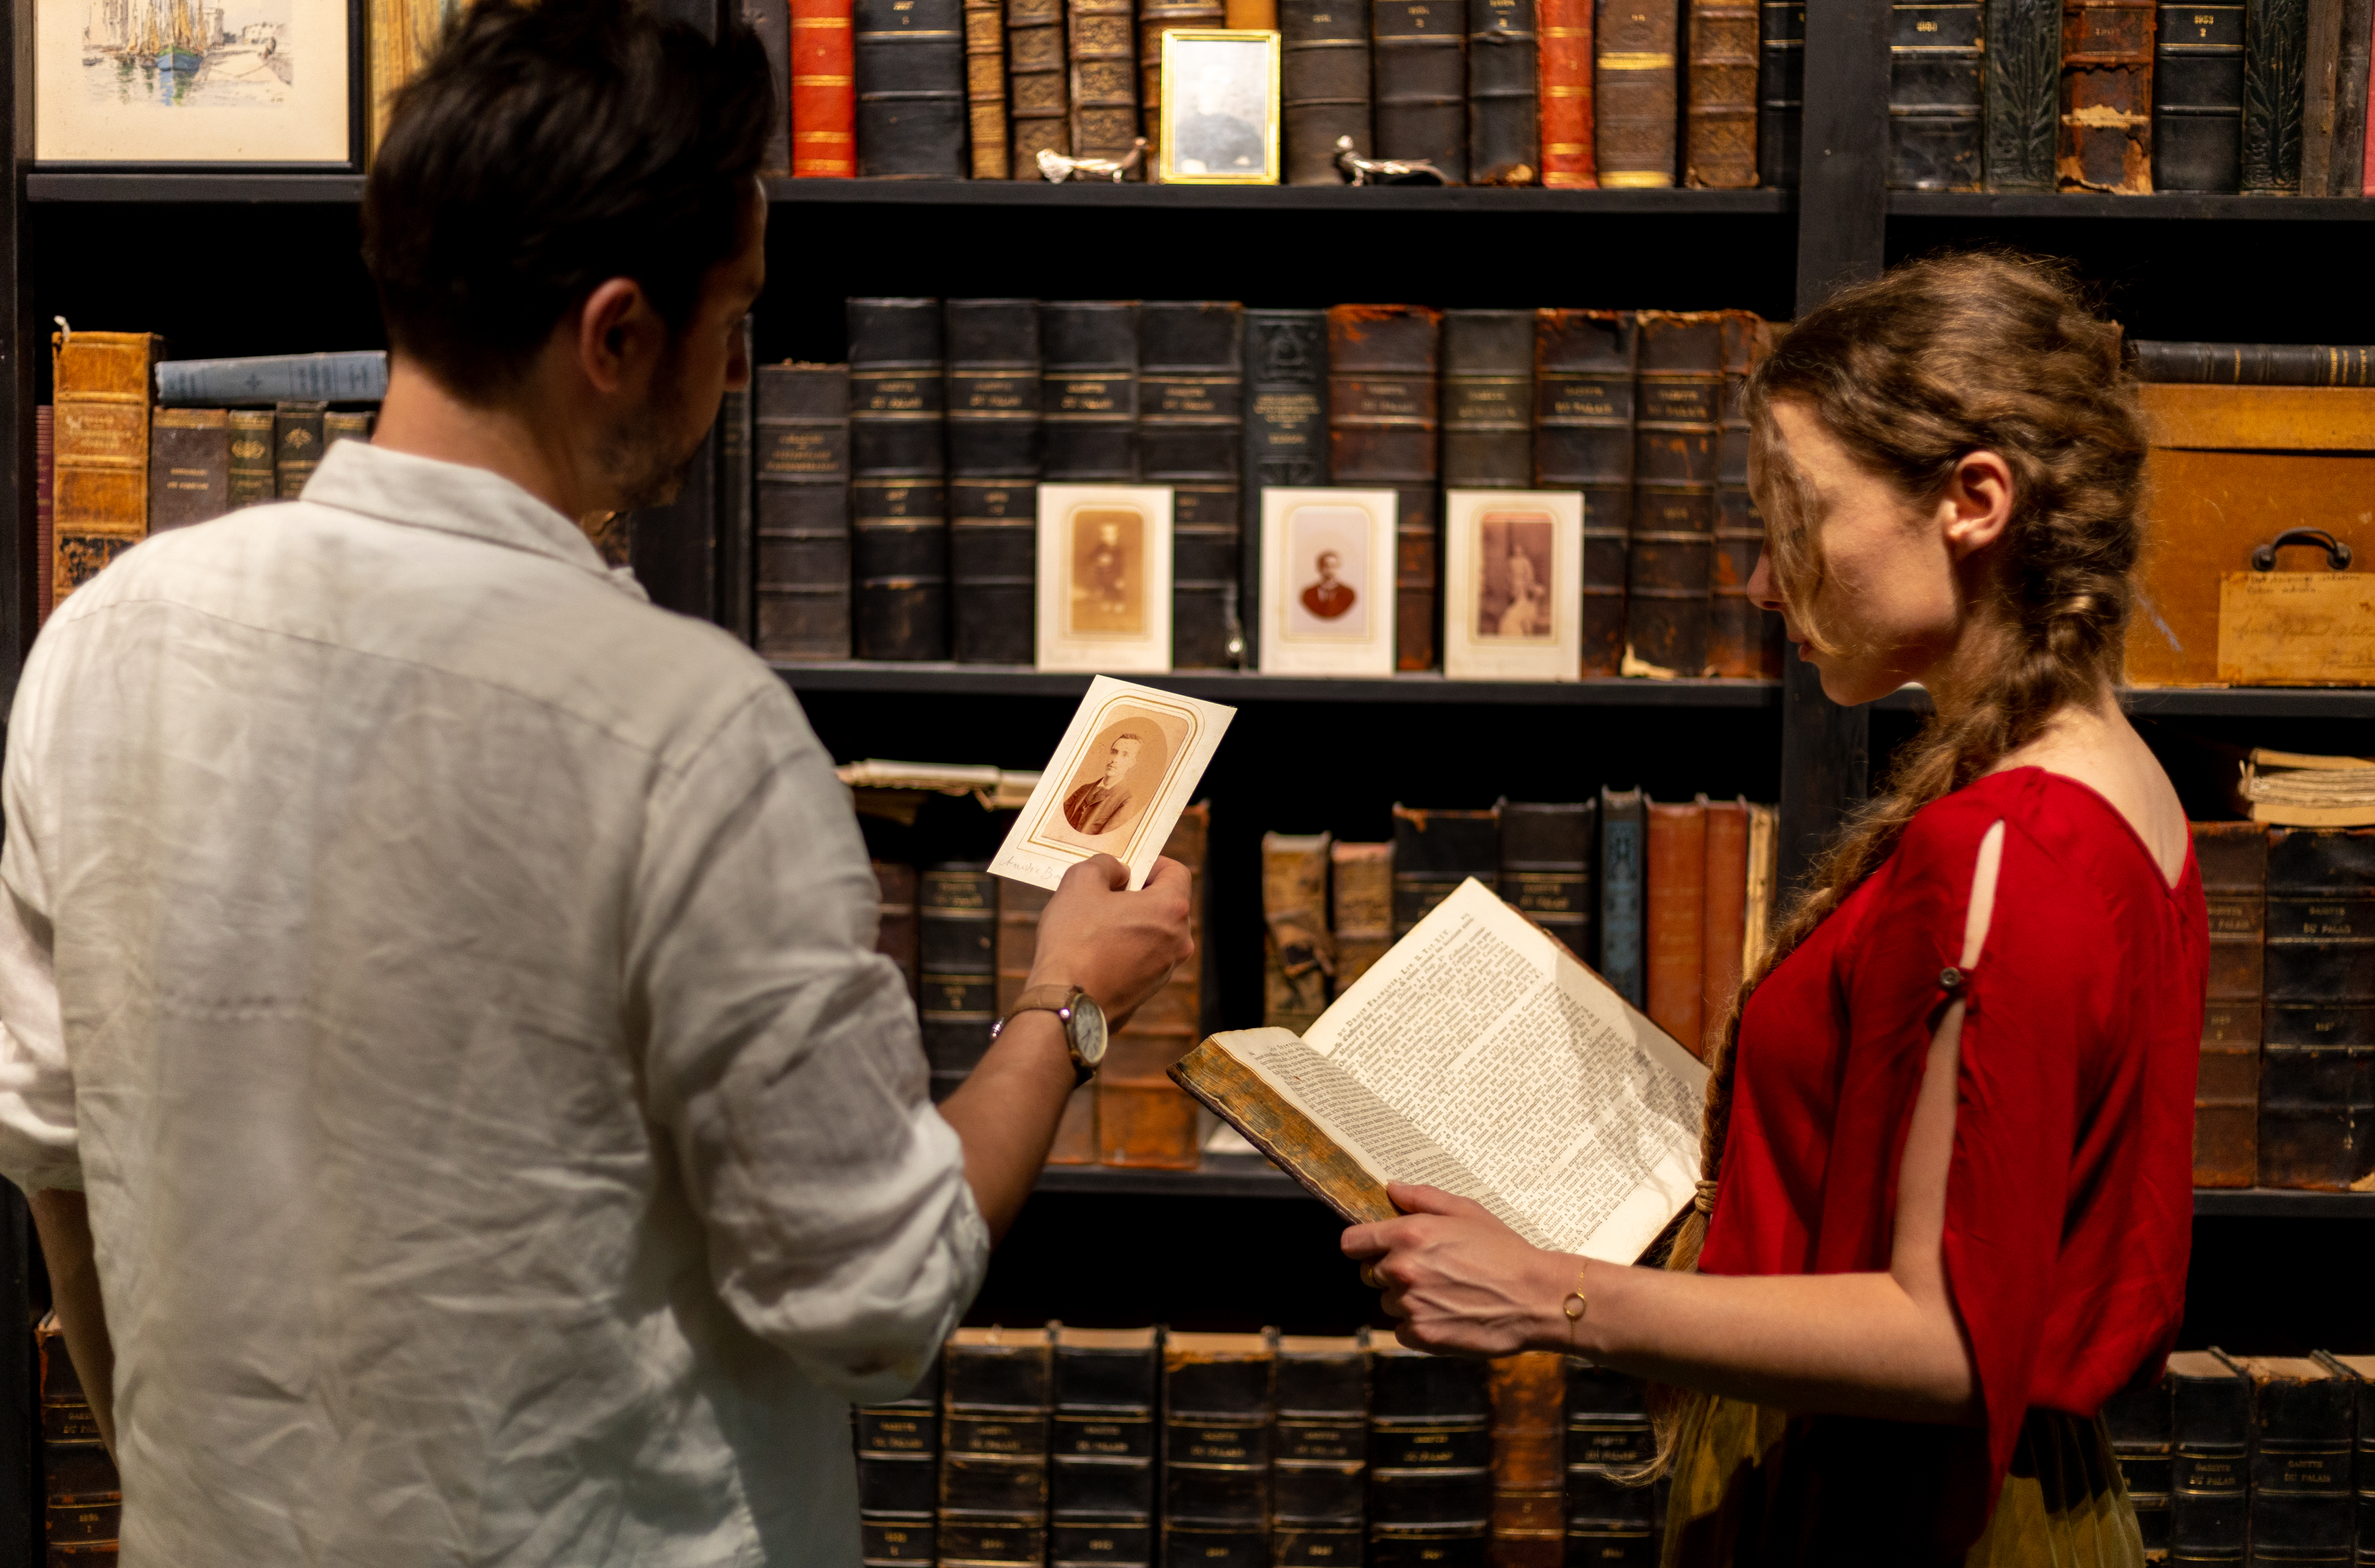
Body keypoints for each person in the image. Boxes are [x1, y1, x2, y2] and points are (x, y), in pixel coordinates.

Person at [0, 3, 1193, 1564]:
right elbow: (877, 1296)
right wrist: (1065, 1007)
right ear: (617, 334)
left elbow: (61, 1173)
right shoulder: (686, 728)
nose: (747, 365)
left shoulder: (106, 638)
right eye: (737, 312)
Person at [1342, 253, 2201, 1566]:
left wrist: (1550, 1296)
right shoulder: (2105, 782)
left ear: (1974, 501)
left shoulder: (2009, 846)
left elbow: (1945, 1340)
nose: (1759, 581)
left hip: (1912, 1519)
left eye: (1799, 519)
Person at [1172, 66, 1265, 175]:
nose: (1215, 89)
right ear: (1196, 87)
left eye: (1221, 84)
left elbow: (1257, 165)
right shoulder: (1181, 131)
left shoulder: (1244, 130)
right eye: (1211, 83)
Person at [1064, 734, 1142, 835]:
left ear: (1133, 762)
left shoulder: (1127, 800)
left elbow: (1103, 840)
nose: (1115, 760)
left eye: (1124, 755)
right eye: (1114, 753)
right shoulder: (1084, 789)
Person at [1301, 549, 1356, 620]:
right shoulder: (1308, 594)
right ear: (1320, 568)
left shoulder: (1349, 594)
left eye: (1333, 566)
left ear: (1338, 568)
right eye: (1326, 566)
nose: (1330, 570)